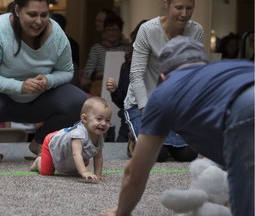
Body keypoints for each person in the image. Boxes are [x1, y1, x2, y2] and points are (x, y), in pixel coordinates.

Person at [99, 36, 254, 216]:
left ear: (163, 75)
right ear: (204, 63)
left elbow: (135, 172)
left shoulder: (165, 92)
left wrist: (121, 211)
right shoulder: (232, 67)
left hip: (245, 113)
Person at [0, 0, 87, 163]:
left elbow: (67, 71)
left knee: (79, 101)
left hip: (40, 99)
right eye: (32, 14)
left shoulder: (56, 34)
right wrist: (19, 86)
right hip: (2, 99)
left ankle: (40, 143)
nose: (39, 21)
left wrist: (49, 80)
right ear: (17, 10)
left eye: (44, 15)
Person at [123, 0, 203, 161]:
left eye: (189, 8)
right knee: (157, 154)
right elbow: (136, 75)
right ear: (166, 5)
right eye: (179, 8)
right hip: (142, 103)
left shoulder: (196, 30)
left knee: (187, 154)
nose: (184, 13)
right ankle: (134, 137)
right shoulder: (148, 30)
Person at [30, 96, 112, 180]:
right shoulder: (78, 134)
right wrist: (84, 172)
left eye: (108, 120)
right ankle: (38, 161)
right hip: (53, 141)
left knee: (74, 169)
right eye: (99, 119)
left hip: (67, 149)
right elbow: (76, 154)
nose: (104, 123)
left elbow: (98, 157)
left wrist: (98, 174)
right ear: (85, 119)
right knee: (47, 172)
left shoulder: (99, 136)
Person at [105, 19, 148, 142]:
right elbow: (123, 102)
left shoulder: (162, 65)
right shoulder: (127, 65)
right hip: (128, 124)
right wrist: (114, 91)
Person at [80, 14, 128, 96]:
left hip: (120, 87)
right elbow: (87, 72)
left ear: (120, 32)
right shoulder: (96, 48)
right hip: (99, 87)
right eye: (109, 30)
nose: (112, 33)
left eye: (115, 30)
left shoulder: (126, 49)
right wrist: (107, 72)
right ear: (104, 31)